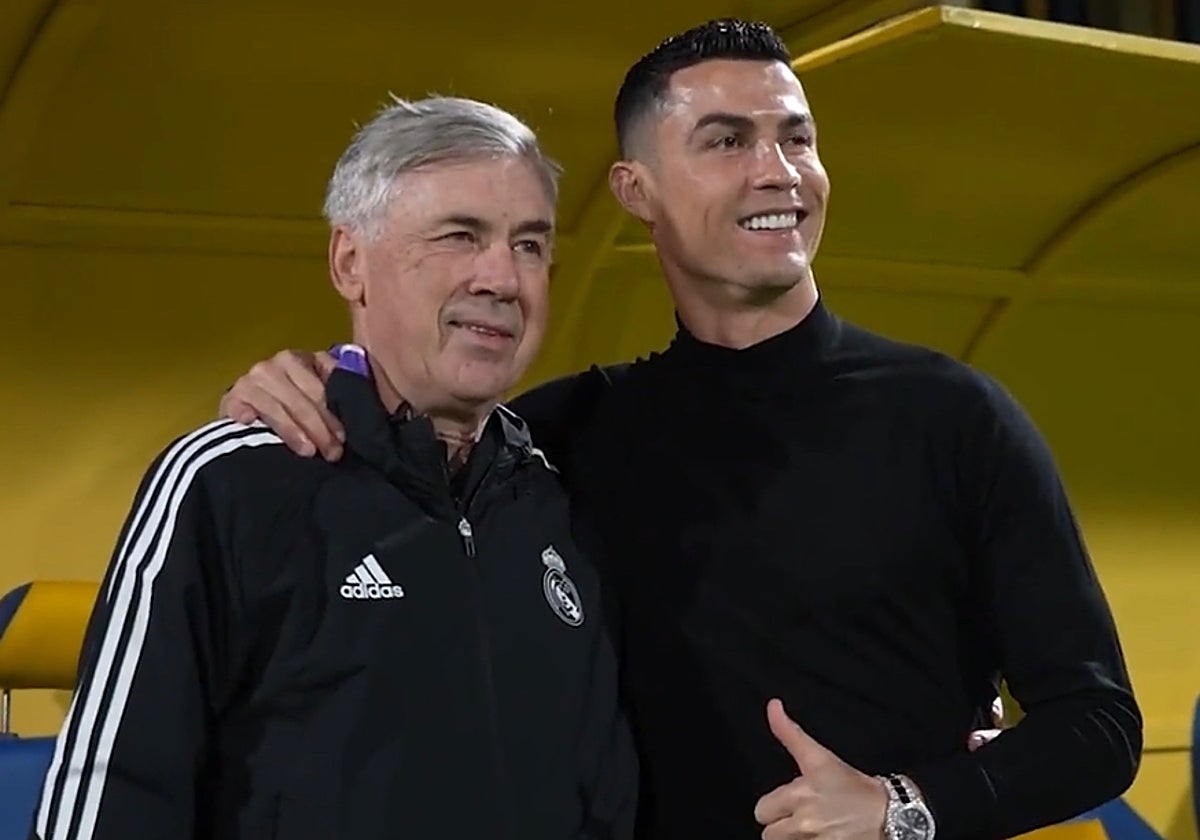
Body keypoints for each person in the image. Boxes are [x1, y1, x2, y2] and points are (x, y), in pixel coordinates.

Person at [219, 20, 1141, 840]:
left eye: (797, 137)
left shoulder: (955, 418)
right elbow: (392, 450)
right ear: (636, 188)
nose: (776, 171)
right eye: (727, 140)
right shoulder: (554, 439)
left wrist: (908, 807)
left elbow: (1097, 724)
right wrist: (302, 382)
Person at [31, 96, 637, 840]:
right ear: (350, 263)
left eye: (531, 245)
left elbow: (605, 802)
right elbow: (112, 793)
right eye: (460, 236)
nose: (502, 279)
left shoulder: (557, 499)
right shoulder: (228, 482)